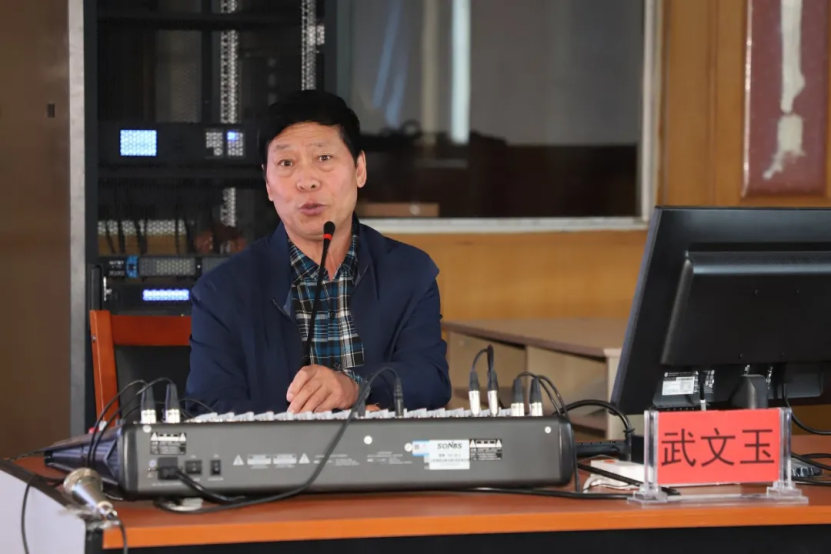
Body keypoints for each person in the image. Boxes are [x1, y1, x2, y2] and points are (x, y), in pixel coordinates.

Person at [185, 90, 451, 415]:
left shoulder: (410, 272)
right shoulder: (221, 292)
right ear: (267, 183)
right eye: (286, 163)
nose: (307, 181)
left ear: (359, 169)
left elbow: (429, 379)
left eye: (324, 158)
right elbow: (210, 405)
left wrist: (353, 387)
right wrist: (305, 425)